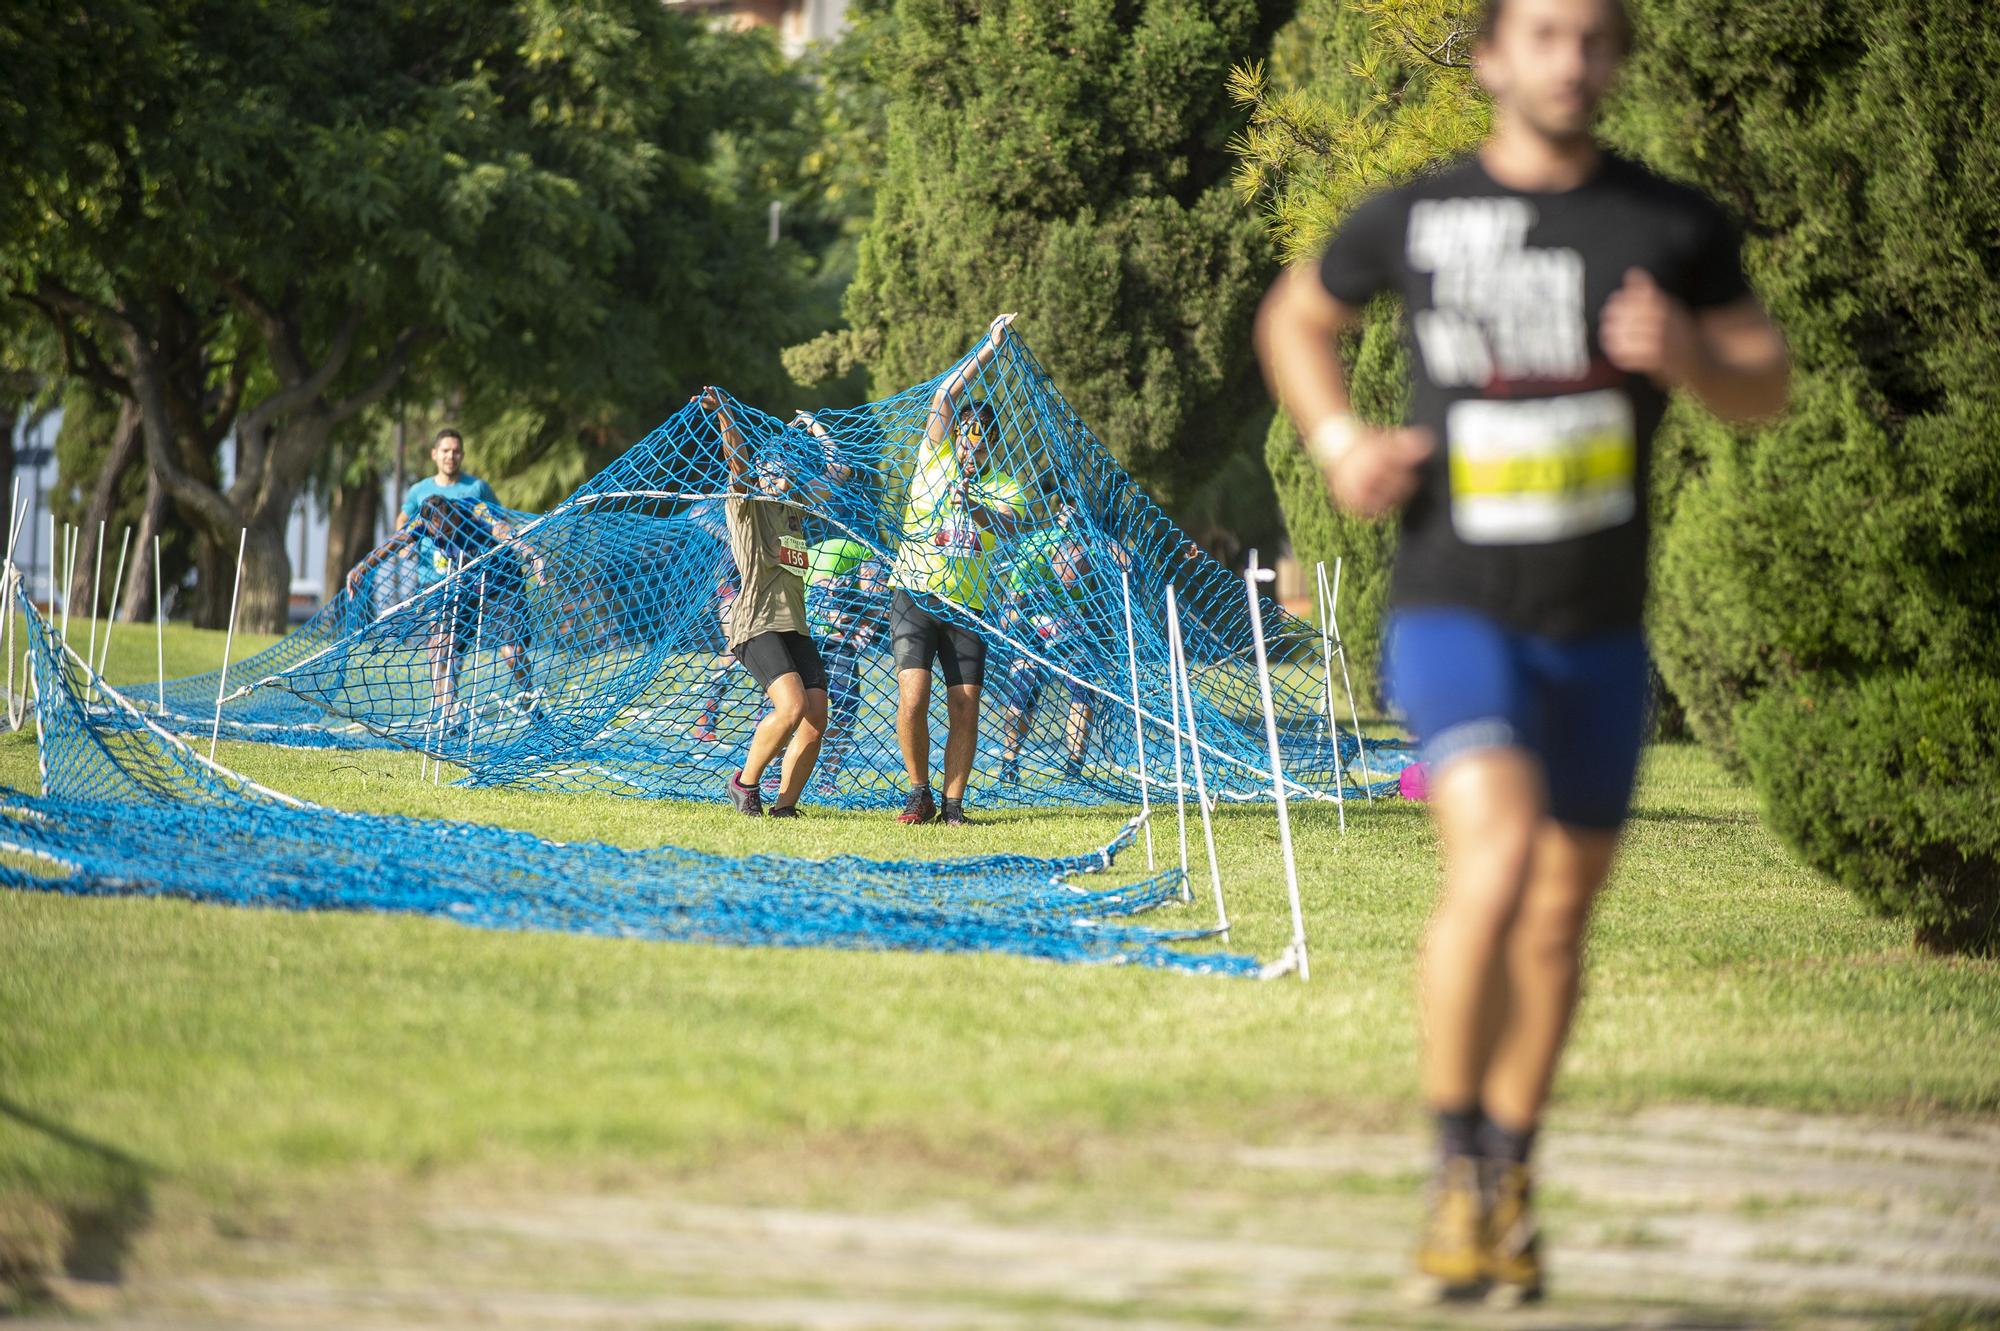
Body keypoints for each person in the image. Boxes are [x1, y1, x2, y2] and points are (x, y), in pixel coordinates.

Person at [1253, 0, 1788, 1304]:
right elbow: (1292, 320)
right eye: (1545, 34)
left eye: (1595, 37)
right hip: (1454, 607)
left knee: (1556, 917)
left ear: (1618, 60)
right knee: (1492, 866)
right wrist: (1339, 444)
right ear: (1493, 56)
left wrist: (1695, 356)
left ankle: (1509, 1168)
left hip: (1599, 628)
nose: (1571, 59)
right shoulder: (1418, 216)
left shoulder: (1671, 223)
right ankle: (1452, 1170)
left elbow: (1767, 379)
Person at [885, 312, 1029, 826]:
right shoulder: (934, 458)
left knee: (965, 706)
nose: (972, 443)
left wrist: (976, 508)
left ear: (992, 444)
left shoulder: (1004, 484)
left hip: (969, 606)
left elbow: (1010, 525)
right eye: (966, 434)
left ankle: (952, 805)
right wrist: (986, 352)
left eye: (983, 437)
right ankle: (917, 792)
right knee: (914, 697)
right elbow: (942, 398)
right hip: (916, 595)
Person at [700, 388, 851, 817]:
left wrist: (816, 428)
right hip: (756, 624)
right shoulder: (747, 504)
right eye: (773, 466)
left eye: (787, 465)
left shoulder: (794, 509)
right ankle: (744, 783)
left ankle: (785, 806)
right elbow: (738, 461)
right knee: (792, 707)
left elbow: (839, 470)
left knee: (816, 716)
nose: (782, 471)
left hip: (794, 626)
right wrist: (727, 413)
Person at [346, 493, 537, 735]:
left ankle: (534, 709)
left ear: (453, 517)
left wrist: (530, 554)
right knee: (438, 650)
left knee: (512, 652)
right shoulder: (424, 522)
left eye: (446, 531)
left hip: (503, 581)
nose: (441, 538)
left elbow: (502, 529)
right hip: (467, 585)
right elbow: (395, 542)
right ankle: (451, 717)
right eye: (436, 535)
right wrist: (362, 568)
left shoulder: (473, 510)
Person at [997, 524, 1108, 786]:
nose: (1073, 580)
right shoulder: (1033, 554)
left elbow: (1122, 561)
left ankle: (1073, 766)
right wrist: (1022, 608)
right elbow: (1007, 617)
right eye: (1068, 572)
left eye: (1080, 574)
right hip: (1031, 629)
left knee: (1083, 683)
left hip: (1069, 630)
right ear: (1056, 559)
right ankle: (1009, 762)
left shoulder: (1092, 548)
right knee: (1024, 686)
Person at [804, 535, 890, 784]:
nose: (879, 595)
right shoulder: (836, 558)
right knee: (794, 709)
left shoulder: (870, 571)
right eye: (878, 587)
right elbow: (824, 607)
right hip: (801, 635)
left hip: (837, 641)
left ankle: (826, 782)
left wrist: (870, 620)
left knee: (847, 707)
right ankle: (774, 775)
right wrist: (856, 625)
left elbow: (877, 607)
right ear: (868, 573)